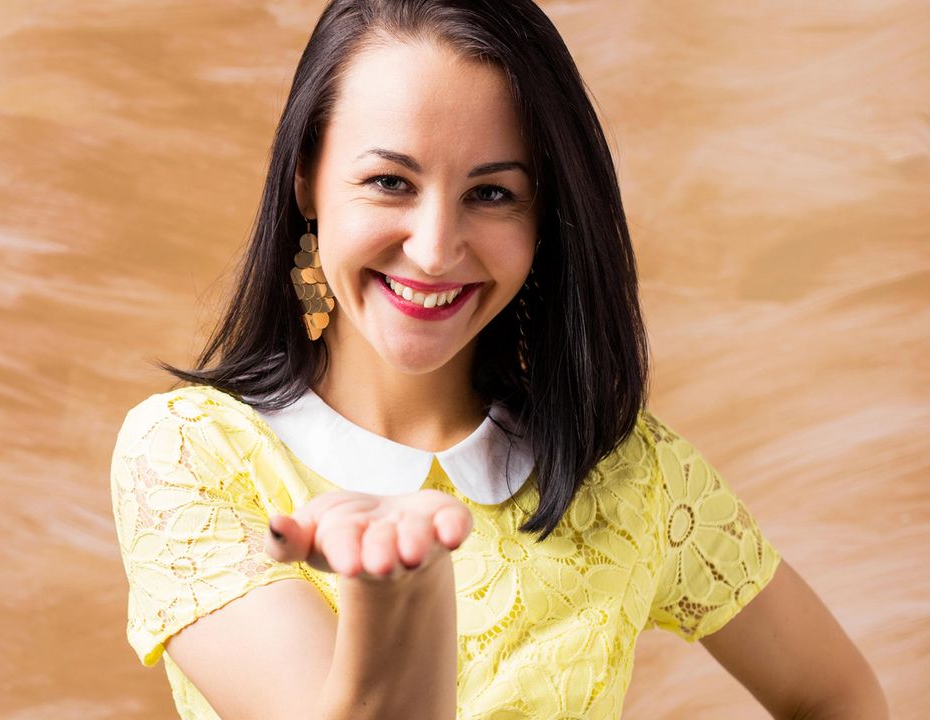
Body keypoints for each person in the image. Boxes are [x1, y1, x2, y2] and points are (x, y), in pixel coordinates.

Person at [107, 1, 889, 718]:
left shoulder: (634, 478)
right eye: (389, 181)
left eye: (491, 195)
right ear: (307, 179)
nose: (436, 249)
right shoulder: (188, 454)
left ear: (545, 215)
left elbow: (839, 696)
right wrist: (397, 604)